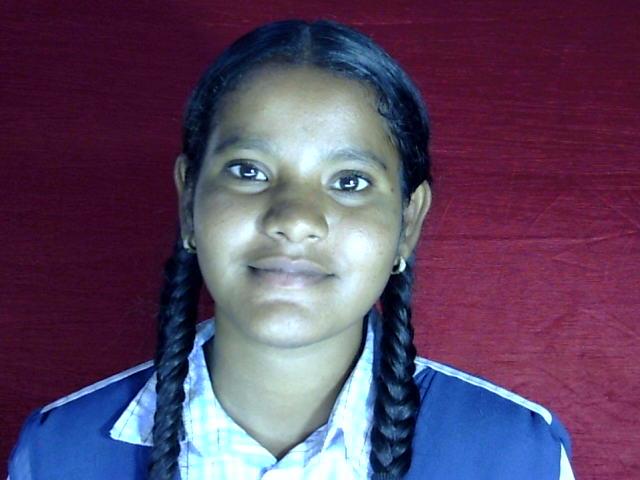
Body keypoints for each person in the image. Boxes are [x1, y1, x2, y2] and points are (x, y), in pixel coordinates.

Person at [8, 19, 575, 480]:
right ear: (188, 201)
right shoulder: (59, 452)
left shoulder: (515, 455)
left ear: (408, 222)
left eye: (349, 181)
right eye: (249, 171)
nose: (295, 219)